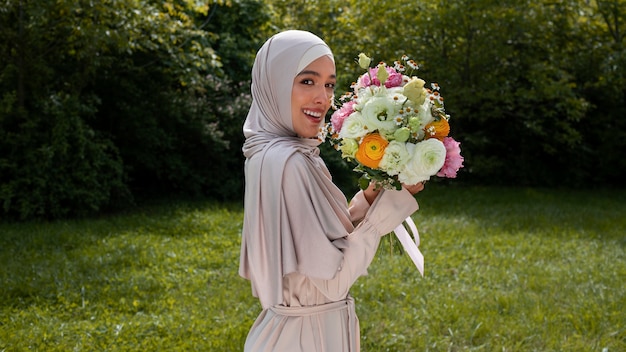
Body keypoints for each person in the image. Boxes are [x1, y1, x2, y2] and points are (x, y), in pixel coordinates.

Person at [239, 30, 424, 352]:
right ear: (274, 83)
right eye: (307, 81)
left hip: (295, 331)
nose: (323, 98)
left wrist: (373, 193)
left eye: (329, 84)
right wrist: (394, 201)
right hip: (305, 339)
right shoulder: (288, 162)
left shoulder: (271, 153)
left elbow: (324, 242)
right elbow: (332, 279)